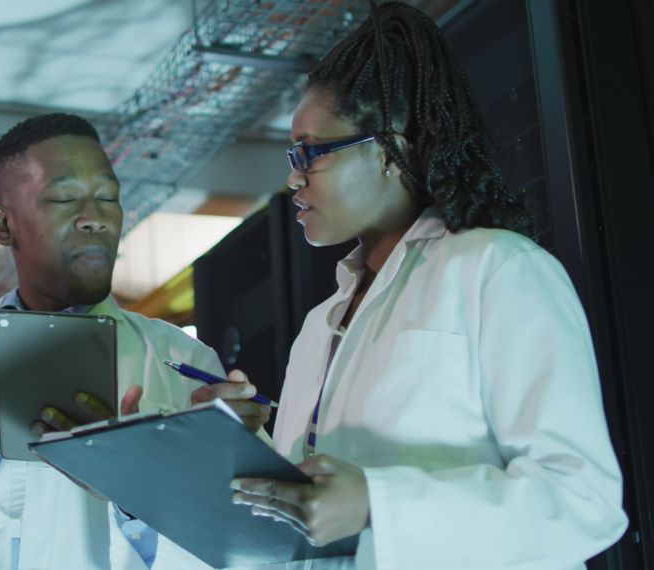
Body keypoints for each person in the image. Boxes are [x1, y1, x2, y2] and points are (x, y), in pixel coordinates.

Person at [227, 3, 628, 569]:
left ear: (392, 150)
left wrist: (377, 503)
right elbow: (306, 530)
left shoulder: (497, 268)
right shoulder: (319, 325)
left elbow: (582, 501)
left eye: (310, 153)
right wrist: (234, 451)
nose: (293, 176)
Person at [0, 113, 272, 569]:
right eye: (63, 198)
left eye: (109, 197)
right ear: (3, 225)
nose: (95, 218)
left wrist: (158, 480)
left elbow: (247, 554)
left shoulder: (182, 359)